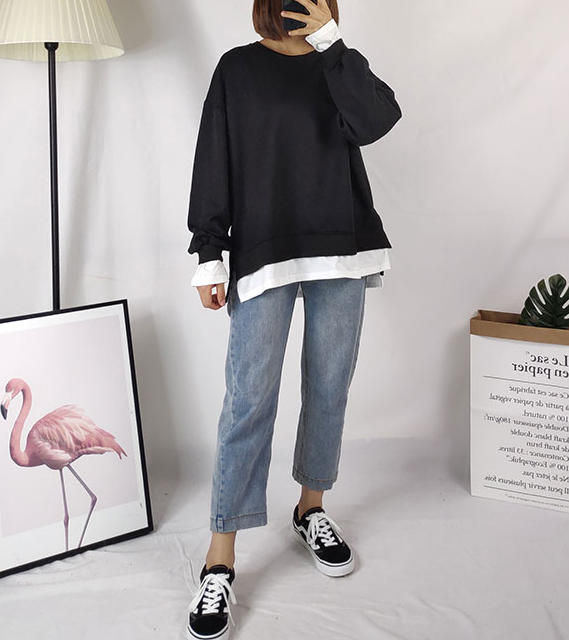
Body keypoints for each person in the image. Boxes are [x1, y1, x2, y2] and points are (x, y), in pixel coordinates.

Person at [185, 1, 402, 637]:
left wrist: (332, 45)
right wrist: (209, 251)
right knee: (248, 399)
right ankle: (220, 555)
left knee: (329, 386)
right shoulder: (237, 69)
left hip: (342, 244)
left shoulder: (339, 65)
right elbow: (214, 158)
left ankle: (311, 508)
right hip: (263, 248)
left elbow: (377, 121)